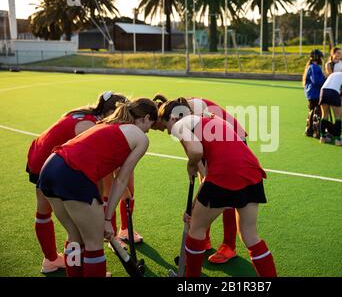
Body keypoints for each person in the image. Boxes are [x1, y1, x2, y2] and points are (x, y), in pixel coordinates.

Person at [37, 98, 157, 277]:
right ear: (146, 117)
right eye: (151, 125)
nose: (149, 130)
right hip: (72, 173)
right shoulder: (141, 138)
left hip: (50, 168)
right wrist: (107, 219)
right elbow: (121, 180)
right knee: (94, 244)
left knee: (75, 239)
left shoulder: (107, 124)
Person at [157, 98, 277, 277]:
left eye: (167, 126)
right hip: (252, 171)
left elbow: (196, 152)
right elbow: (208, 178)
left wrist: (190, 165)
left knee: (196, 229)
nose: (169, 132)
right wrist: (194, 205)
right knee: (250, 236)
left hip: (225, 175)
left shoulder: (180, 124)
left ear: (173, 118)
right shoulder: (211, 119)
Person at [26, 91, 127, 273]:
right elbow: (91, 170)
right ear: (113, 111)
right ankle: (89, 268)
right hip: (51, 164)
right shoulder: (91, 125)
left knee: (43, 213)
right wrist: (99, 207)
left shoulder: (83, 112)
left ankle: (50, 261)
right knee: (79, 231)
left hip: (39, 156)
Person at [152, 94, 243, 264]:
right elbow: (199, 163)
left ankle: (229, 246)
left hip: (233, 139)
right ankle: (203, 238)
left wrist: (194, 207)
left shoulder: (180, 118)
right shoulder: (177, 115)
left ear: (161, 118)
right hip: (212, 142)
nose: (162, 131)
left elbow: (203, 167)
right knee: (208, 187)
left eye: (159, 127)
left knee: (227, 192)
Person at [319, 72, 342, 145]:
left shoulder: (335, 74)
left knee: (324, 115)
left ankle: (322, 137)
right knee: (338, 117)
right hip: (333, 93)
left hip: (323, 91)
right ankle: (338, 140)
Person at [303, 49, 326, 138]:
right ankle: (316, 131)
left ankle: (309, 130)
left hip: (311, 92)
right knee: (317, 111)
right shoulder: (314, 67)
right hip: (315, 92)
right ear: (317, 58)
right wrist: (325, 79)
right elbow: (316, 81)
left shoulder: (311, 66)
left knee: (312, 110)